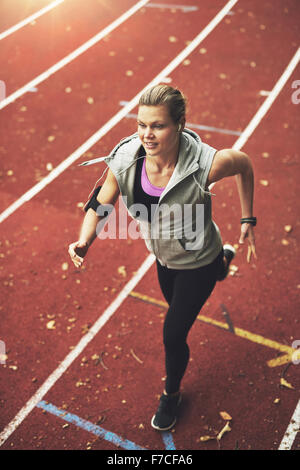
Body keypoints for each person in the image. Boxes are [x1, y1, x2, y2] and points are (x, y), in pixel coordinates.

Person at [68, 84, 256, 432]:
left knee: (173, 334)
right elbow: (100, 203)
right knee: (176, 307)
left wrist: (248, 218)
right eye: (141, 124)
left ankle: (171, 394)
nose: (146, 134)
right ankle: (224, 263)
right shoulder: (126, 157)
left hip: (197, 259)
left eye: (157, 125)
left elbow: (244, 164)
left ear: (180, 124)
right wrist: (84, 241)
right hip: (163, 258)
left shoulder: (205, 164)